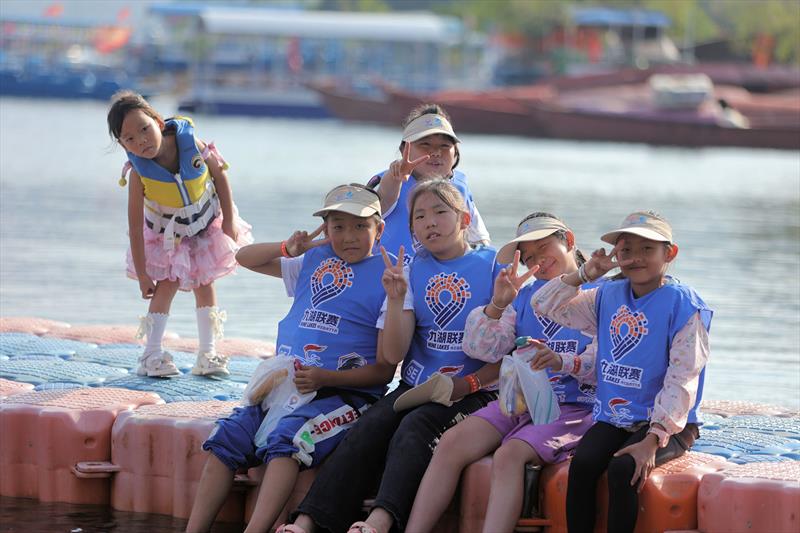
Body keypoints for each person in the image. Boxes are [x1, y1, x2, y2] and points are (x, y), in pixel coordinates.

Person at [278, 179, 503, 533]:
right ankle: (308, 521)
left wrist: (470, 382)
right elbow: (394, 354)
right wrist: (396, 298)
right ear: (411, 227)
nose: (430, 222)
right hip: (417, 386)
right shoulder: (411, 269)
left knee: (415, 428)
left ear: (464, 219)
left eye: (441, 213)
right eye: (420, 216)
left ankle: (381, 520)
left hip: (476, 390)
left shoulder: (494, 266)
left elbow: (512, 348)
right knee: (370, 427)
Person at [185, 184, 397, 533]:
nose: (348, 237)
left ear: (380, 228)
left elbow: (383, 371)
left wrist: (326, 379)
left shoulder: (388, 279)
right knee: (228, 438)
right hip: (284, 388)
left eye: (360, 226)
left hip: (342, 395)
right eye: (338, 227)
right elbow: (243, 257)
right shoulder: (312, 262)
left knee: (289, 440)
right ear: (325, 229)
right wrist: (291, 247)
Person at [407, 212, 598, 533]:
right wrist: (497, 304)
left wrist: (562, 361)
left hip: (578, 405)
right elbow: (481, 350)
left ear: (569, 240)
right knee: (452, 442)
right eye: (530, 256)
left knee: (509, 455)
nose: (539, 259)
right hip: (522, 398)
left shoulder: (602, 292)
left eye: (544, 247)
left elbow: (607, 362)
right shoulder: (522, 297)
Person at [531, 210, 712, 533]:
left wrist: (653, 440)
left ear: (669, 253)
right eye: (626, 251)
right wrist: (585, 272)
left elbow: (683, 378)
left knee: (623, 469)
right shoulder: (606, 296)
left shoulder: (683, 305)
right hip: (616, 416)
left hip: (669, 425)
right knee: (583, 465)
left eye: (647, 249)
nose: (636, 259)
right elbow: (544, 305)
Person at [107, 91, 253, 377]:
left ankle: (207, 354)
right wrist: (142, 273)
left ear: (159, 122)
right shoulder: (138, 173)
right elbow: (135, 226)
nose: (141, 141)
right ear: (122, 144)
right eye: (129, 139)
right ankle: (151, 355)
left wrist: (229, 221)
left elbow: (220, 175)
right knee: (167, 284)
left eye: (144, 129)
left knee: (205, 283)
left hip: (204, 225)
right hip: (168, 236)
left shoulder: (192, 145)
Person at [367, 103, 490, 264]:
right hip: (390, 278)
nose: (436, 153)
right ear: (405, 150)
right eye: (425, 144)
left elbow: (480, 242)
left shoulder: (459, 186)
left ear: (455, 153)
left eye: (445, 146)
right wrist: (395, 175)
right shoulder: (389, 182)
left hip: (438, 283)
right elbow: (384, 199)